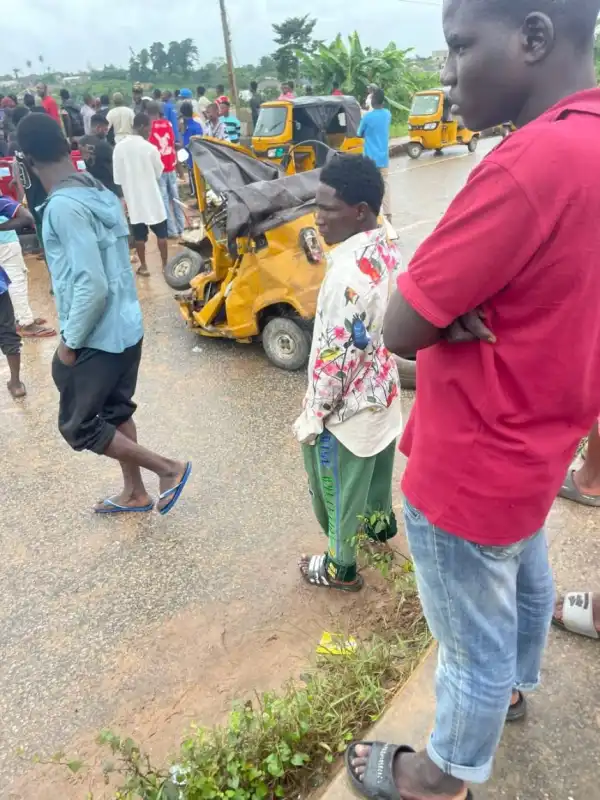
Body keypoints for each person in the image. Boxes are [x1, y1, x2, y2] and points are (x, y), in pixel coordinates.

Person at [347, 0, 600, 798]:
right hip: (541, 437)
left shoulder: (527, 164)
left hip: (471, 459)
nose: (446, 74)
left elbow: (399, 322)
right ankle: (517, 687)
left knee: (468, 640)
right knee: (523, 573)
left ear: (533, 36)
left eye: (458, 47)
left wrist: (441, 303)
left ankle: (440, 775)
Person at [16, 112, 192, 513]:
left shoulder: (62, 206)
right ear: (66, 146)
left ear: (25, 159)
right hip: (126, 326)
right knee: (115, 410)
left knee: (79, 424)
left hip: (97, 334)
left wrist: (69, 343)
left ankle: (168, 468)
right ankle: (135, 492)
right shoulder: (98, 190)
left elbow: (90, 285)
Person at [294, 154, 402, 592]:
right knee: (375, 478)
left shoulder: (347, 279)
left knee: (335, 492)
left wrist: (314, 416)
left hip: (347, 411)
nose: (318, 218)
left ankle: (342, 567)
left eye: (328, 209)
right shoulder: (385, 239)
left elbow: (335, 359)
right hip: (382, 394)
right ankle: (379, 531)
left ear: (359, 210)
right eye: (316, 206)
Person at [113, 112, 168, 276]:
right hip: (152, 197)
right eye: (149, 128)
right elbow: (159, 172)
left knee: (139, 236)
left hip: (134, 199)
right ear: (143, 127)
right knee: (161, 233)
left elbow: (118, 177)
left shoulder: (119, 148)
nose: (150, 131)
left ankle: (144, 266)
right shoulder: (150, 148)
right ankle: (165, 265)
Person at [0, 190, 55, 338]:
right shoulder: (2, 201)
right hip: (5, 242)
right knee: (16, 279)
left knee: (4, 282)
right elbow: (27, 218)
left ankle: (18, 316)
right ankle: (25, 323)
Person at [148, 102, 185, 239]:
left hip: (159, 169)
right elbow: (173, 142)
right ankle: (181, 227)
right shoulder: (168, 124)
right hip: (171, 165)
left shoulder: (150, 128)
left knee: (163, 201)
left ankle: (172, 231)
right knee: (175, 198)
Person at [358, 88, 392, 221]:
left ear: (372, 100)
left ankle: (373, 215)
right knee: (385, 185)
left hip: (369, 160)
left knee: (369, 186)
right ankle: (388, 215)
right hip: (383, 158)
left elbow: (359, 133)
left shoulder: (367, 117)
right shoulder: (387, 114)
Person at [79, 115, 122, 197]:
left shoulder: (80, 143)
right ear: (98, 128)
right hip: (107, 186)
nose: (106, 133)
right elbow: (115, 164)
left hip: (88, 185)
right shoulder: (104, 146)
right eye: (105, 129)